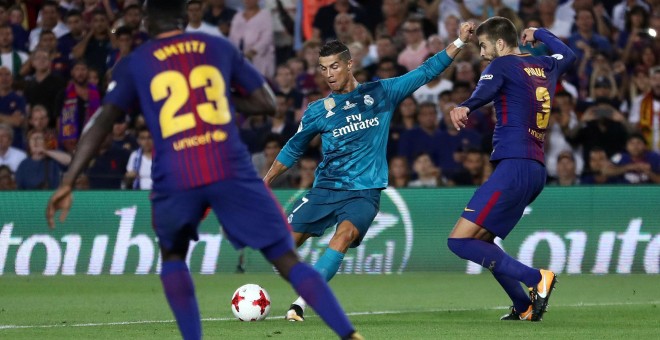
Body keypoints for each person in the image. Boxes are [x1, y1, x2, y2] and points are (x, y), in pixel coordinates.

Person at [45, 1, 363, 339]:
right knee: (285, 257)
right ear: (185, 20)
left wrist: (68, 180)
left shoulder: (135, 63)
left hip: (177, 173)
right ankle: (348, 334)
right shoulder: (217, 46)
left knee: (173, 255)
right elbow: (267, 103)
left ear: (145, 23)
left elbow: (100, 122)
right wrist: (217, 99)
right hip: (228, 167)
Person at [264, 22, 475, 321]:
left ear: (350, 65)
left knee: (345, 234)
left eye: (334, 66)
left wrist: (460, 41)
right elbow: (292, 149)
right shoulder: (317, 110)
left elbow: (426, 71)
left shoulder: (381, 93)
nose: (329, 74)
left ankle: (301, 302)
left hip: (364, 191)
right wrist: (265, 181)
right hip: (325, 189)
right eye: (323, 69)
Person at [447, 17, 576, 321]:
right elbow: (568, 55)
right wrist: (539, 33)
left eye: (483, 45)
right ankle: (524, 306)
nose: (481, 53)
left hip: (514, 167)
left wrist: (465, 105)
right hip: (534, 170)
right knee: (483, 241)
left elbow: (484, 93)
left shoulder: (501, 66)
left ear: (500, 43)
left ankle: (536, 278)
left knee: (459, 241)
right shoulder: (545, 64)